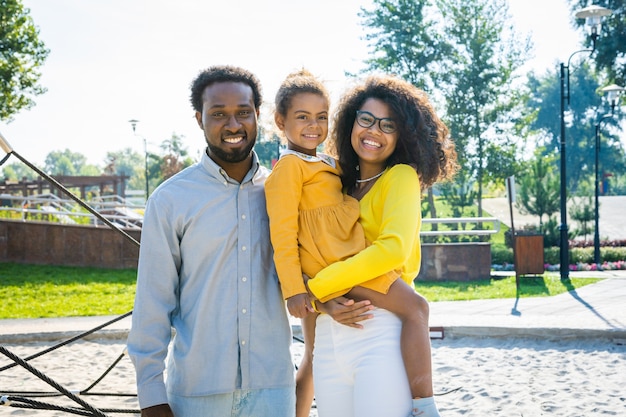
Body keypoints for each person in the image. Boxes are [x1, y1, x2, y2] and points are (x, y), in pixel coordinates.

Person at [265, 69, 448, 417]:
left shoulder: (400, 176)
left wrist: (318, 286)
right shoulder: (336, 183)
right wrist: (317, 299)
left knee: (417, 308)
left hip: (377, 326)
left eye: (388, 125)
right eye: (366, 119)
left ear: (402, 134)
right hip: (332, 334)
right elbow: (293, 237)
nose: (374, 131)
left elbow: (393, 249)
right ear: (351, 121)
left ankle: (427, 406)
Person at [126, 65, 296, 417]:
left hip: (274, 390)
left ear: (258, 116)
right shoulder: (170, 199)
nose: (233, 125)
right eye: (218, 114)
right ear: (199, 118)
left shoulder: (286, 191)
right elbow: (152, 304)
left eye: (243, 113)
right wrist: (151, 395)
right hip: (195, 393)